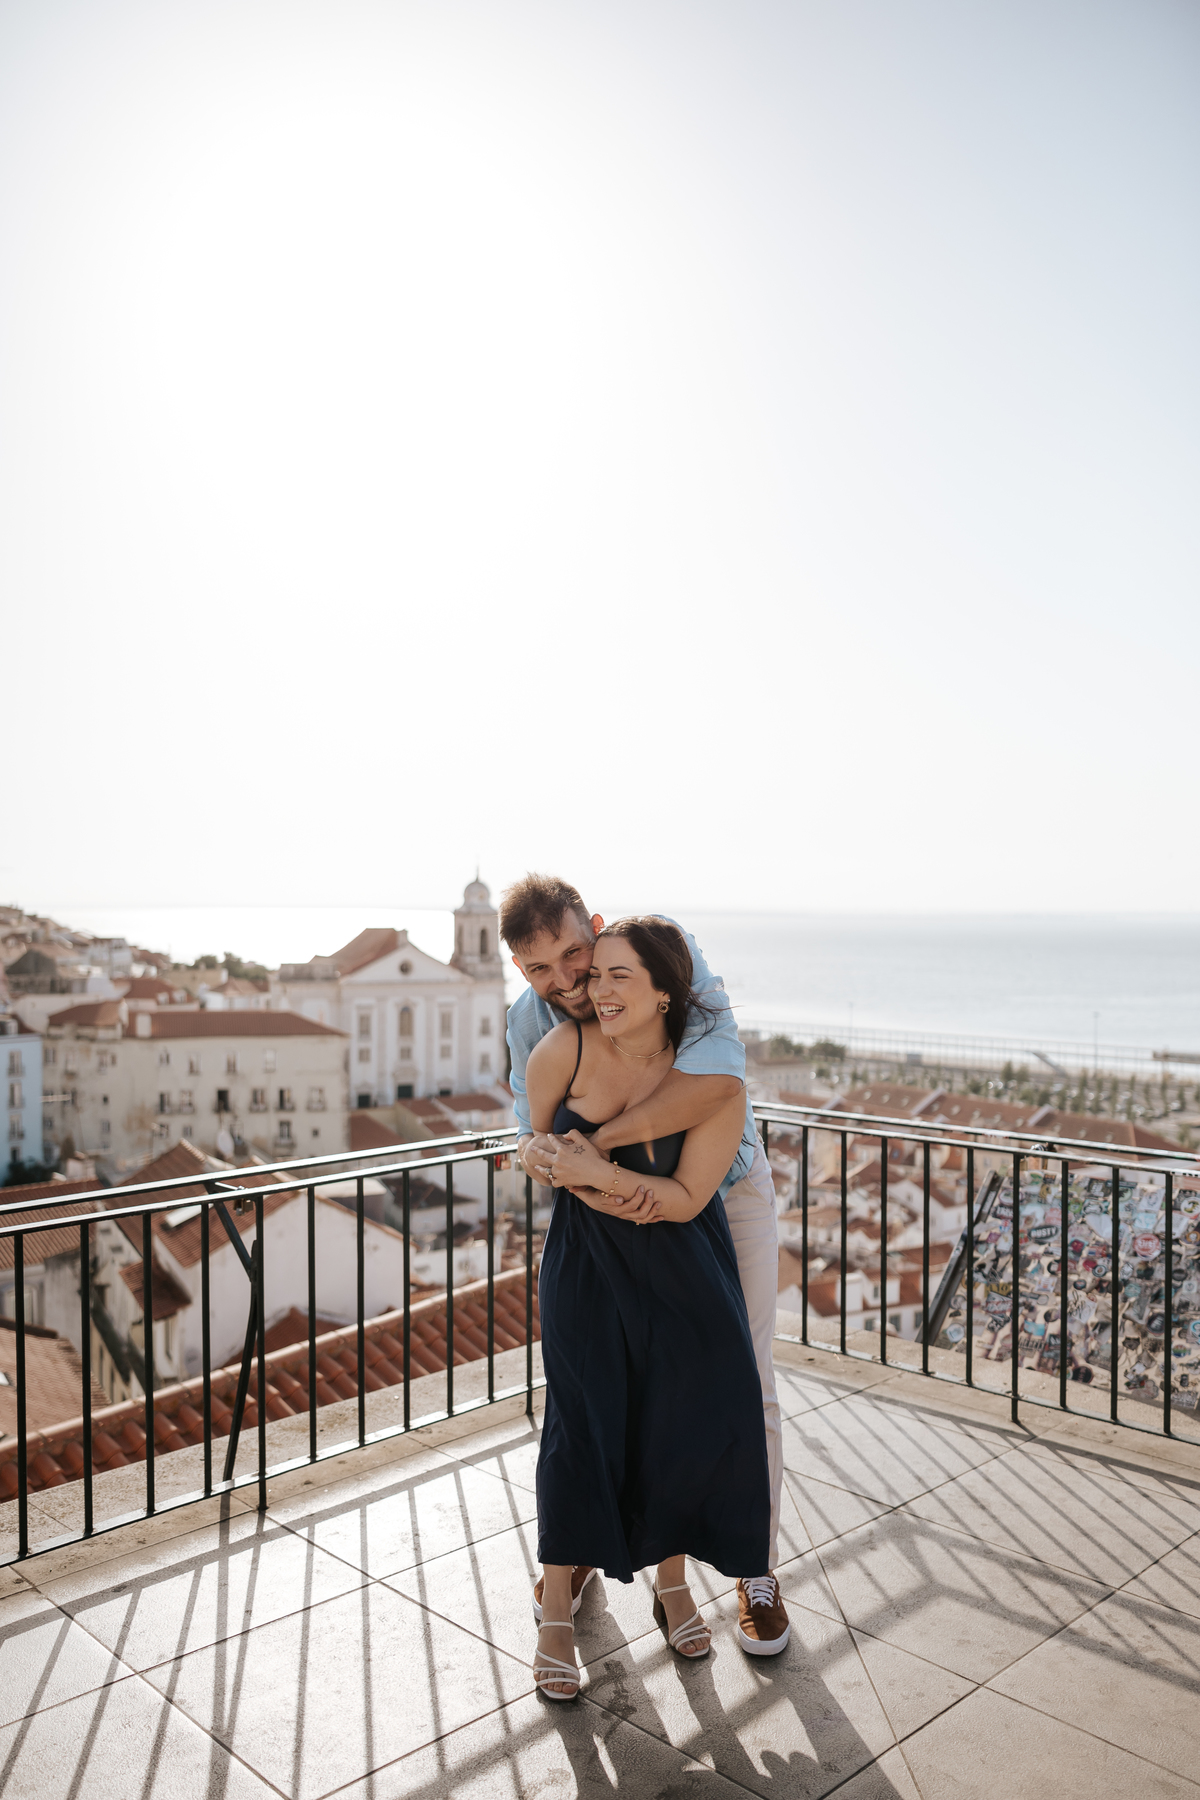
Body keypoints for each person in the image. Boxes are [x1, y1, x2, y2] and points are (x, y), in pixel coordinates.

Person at [500, 874, 790, 1671]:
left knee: (743, 1379)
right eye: (539, 970)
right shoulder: (534, 1024)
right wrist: (553, 1159)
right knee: (598, 1403)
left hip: (722, 1191)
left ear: (594, 928)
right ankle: (591, 1554)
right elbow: (528, 1130)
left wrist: (597, 1152)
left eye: (575, 956)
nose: (567, 982)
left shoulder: (670, 956)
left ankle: (754, 1570)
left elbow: (715, 1085)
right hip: (604, 1226)